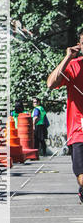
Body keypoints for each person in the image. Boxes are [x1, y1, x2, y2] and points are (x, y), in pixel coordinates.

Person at [47, 33, 83, 201]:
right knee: (81, 177)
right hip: (79, 131)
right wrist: (68, 57)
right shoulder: (74, 66)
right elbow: (51, 83)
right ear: (79, 45)